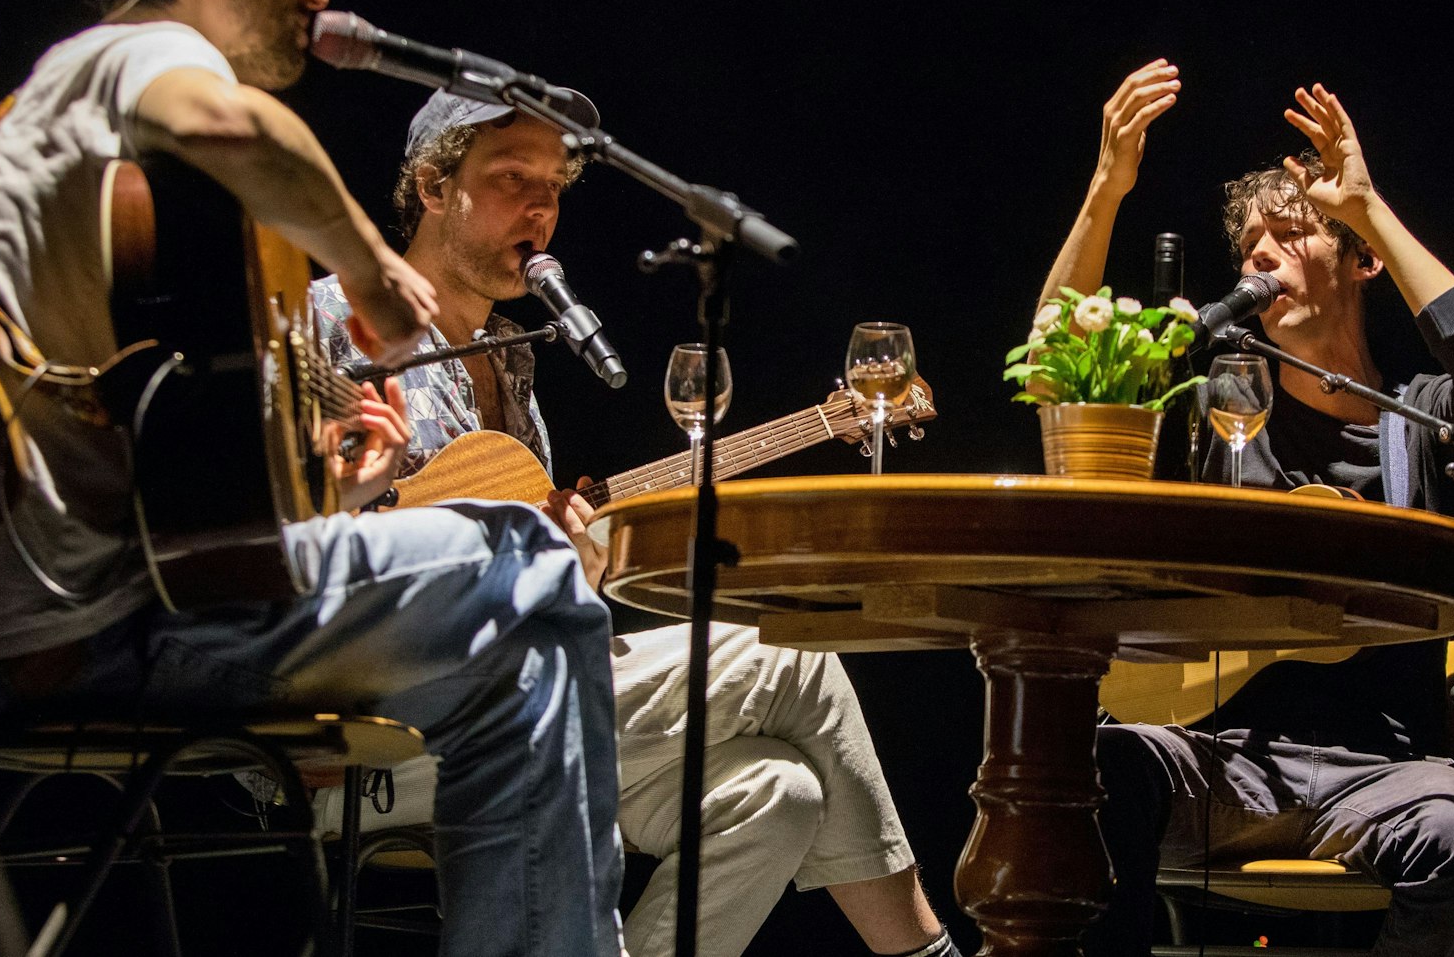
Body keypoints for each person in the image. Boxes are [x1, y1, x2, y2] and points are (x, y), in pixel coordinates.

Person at [0, 0, 621, 953]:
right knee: (528, 564)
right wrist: (372, 274)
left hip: (39, 634)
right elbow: (229, 124)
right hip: (105, 629)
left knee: (514, 667)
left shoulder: (38, 126)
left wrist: (325, 482)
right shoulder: (121, 59)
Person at [308, 89, 963, 957]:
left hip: (522, 701)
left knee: (780, 792)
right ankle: (927, 951)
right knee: (794, 655)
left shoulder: (510, 363)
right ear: (433, 186)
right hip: (375, 718)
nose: (541, 210)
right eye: (512, 181)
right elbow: (286, 534)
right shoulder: (332, 318)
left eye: (553, 188)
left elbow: (533, 584)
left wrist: (573, 564)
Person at [1037, 60, 1454, 955]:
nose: (1258, 254)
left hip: (1373, 773)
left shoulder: (1420, 418)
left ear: (1362, 260)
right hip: (1210, 757)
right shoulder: (1214, 397)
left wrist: (1365, 203)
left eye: (1293, 232)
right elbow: (1055, 368)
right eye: (1248, 243)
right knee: (1077, 773)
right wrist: (1107, 190)